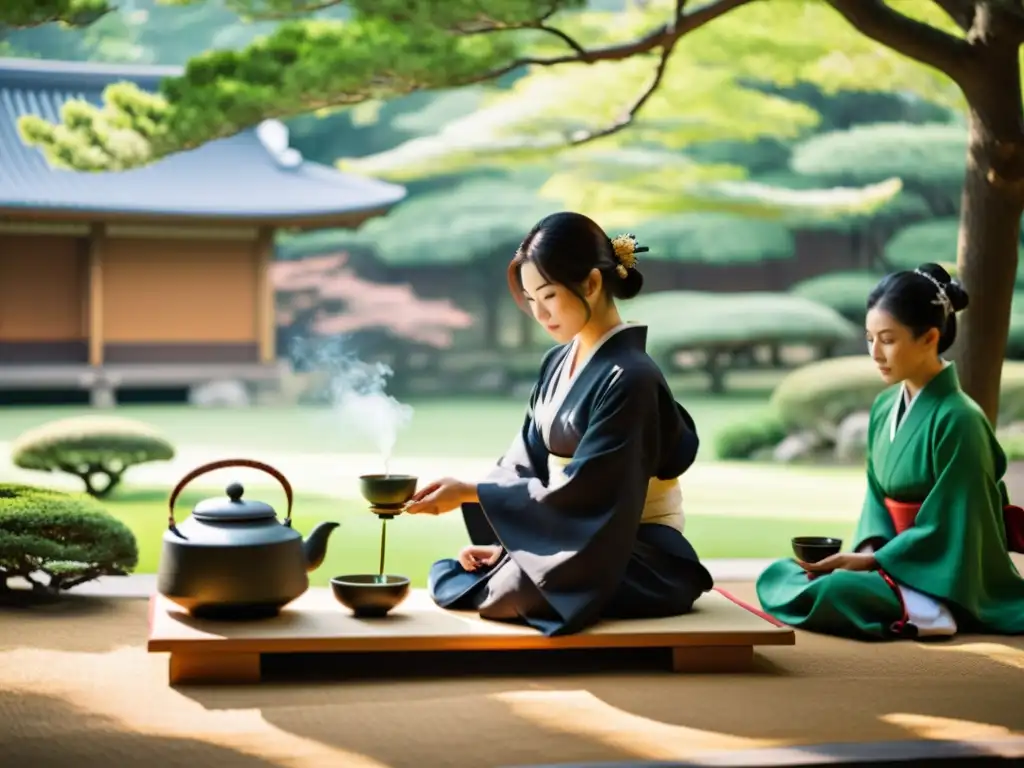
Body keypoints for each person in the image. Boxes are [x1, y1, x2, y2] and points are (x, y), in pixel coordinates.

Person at [404, 211, 714, 637]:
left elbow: (594, 491)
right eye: (531, 300)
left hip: (636, 548)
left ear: (590, 283)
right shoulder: (557, 362)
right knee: (469, 573)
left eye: (548, 295)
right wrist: (509, 543)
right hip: (584, 538)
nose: (539, 312)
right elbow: (523, 461)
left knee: (511, 589)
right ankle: (518, 563)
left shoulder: (633, 377)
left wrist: (472, 493)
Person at [756, 262, 1024, 640]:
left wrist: (875, 560)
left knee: (834, 590)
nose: (875, 353)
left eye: (888, 339)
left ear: (930, 338)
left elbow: (957, 524)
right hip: (894, 559)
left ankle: (932, 612)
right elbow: (876, 499)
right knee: (783, 574)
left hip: (944, 573)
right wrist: (867, 554)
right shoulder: (884, 408)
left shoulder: (960, 419)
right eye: (869, 338)